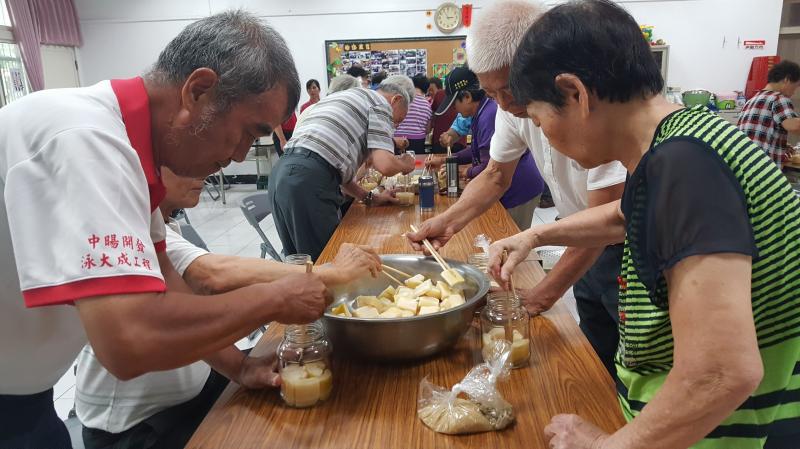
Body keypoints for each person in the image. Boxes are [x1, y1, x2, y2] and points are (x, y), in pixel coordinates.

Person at [0, 12, 379, 448]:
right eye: (246, 133)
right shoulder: (84, 139)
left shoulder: (129, 155)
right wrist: (276, 298)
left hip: (27, 394)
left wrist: (238, 366)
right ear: (198, 91)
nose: (239, 156)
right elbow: (129, 340)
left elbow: (169, 285)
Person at [492, 1, 800, 448]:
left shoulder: (683, 166)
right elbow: (624, 215)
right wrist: (535, 234)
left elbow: (722, 371)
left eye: (539, 120)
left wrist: (601, 446)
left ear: (575, 93)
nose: (547, 137)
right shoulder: (684, 141)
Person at [77, 167, 378, 449]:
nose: (204, 172)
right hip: (141, 425)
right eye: (185, 162)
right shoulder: (130, 226)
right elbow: (212, 275)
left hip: (199, 388)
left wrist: (241, 367)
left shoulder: (163, 224)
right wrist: (327, 274)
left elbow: (190, 313)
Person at [407, 0, 627, 378]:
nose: (504, 105)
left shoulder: (595, 111)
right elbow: (495, 175)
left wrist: (543, 294)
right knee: (595, 347)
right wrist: (447, 222)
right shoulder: (512, 107)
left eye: (509, 89)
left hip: (617, 244)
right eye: (490, 94)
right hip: (581, 234)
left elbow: (608, 221)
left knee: (631, 355)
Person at [269, 75, 416, 260]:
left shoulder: (349, 98)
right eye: (397, 121)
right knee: (328, 265)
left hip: (281, 175)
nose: (393, 127)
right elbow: (384, 164)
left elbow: (340, 176)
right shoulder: (380, 103)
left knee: (301, 265)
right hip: (308, 180)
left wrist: (371, 198)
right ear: (396, 99)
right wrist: (406, 162)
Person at [426, 66, 544, 231]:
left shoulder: (489, 115)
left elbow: (489, 166)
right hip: (507, 185)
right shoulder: (481, 112)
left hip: (519, 188)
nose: (455, 110)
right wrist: (447, 160)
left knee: (509, 238)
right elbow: (479, 150)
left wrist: (463, 171)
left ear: (467, 97)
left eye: (455, 105)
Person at [738, 60, 800, 169]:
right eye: (796, 86)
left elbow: (758, 135)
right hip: (764, 169)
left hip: (744, 166)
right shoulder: (778, 98)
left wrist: (781, 146)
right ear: (787, 80)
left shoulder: (751, 100)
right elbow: (795, 127)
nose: (795, 91)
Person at [295, 75, 360, 129]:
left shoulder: (326, 104)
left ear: (319, 89)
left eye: (314, 87)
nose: (312, 90)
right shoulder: (304, 107)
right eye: (309, 89)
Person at [394, 74, 433, 154]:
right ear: (426, 89)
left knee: (396, 164)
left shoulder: (402, 99)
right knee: (416, 164)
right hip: (417, 141)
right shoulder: (427, 105)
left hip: (397, 140)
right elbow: (428, 130)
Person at [430, 76, 464, 154]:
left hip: (440, 139)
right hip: (458, 140)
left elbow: (434, 115)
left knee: (440, 164)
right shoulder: (464, 95)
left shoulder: (439, 94)